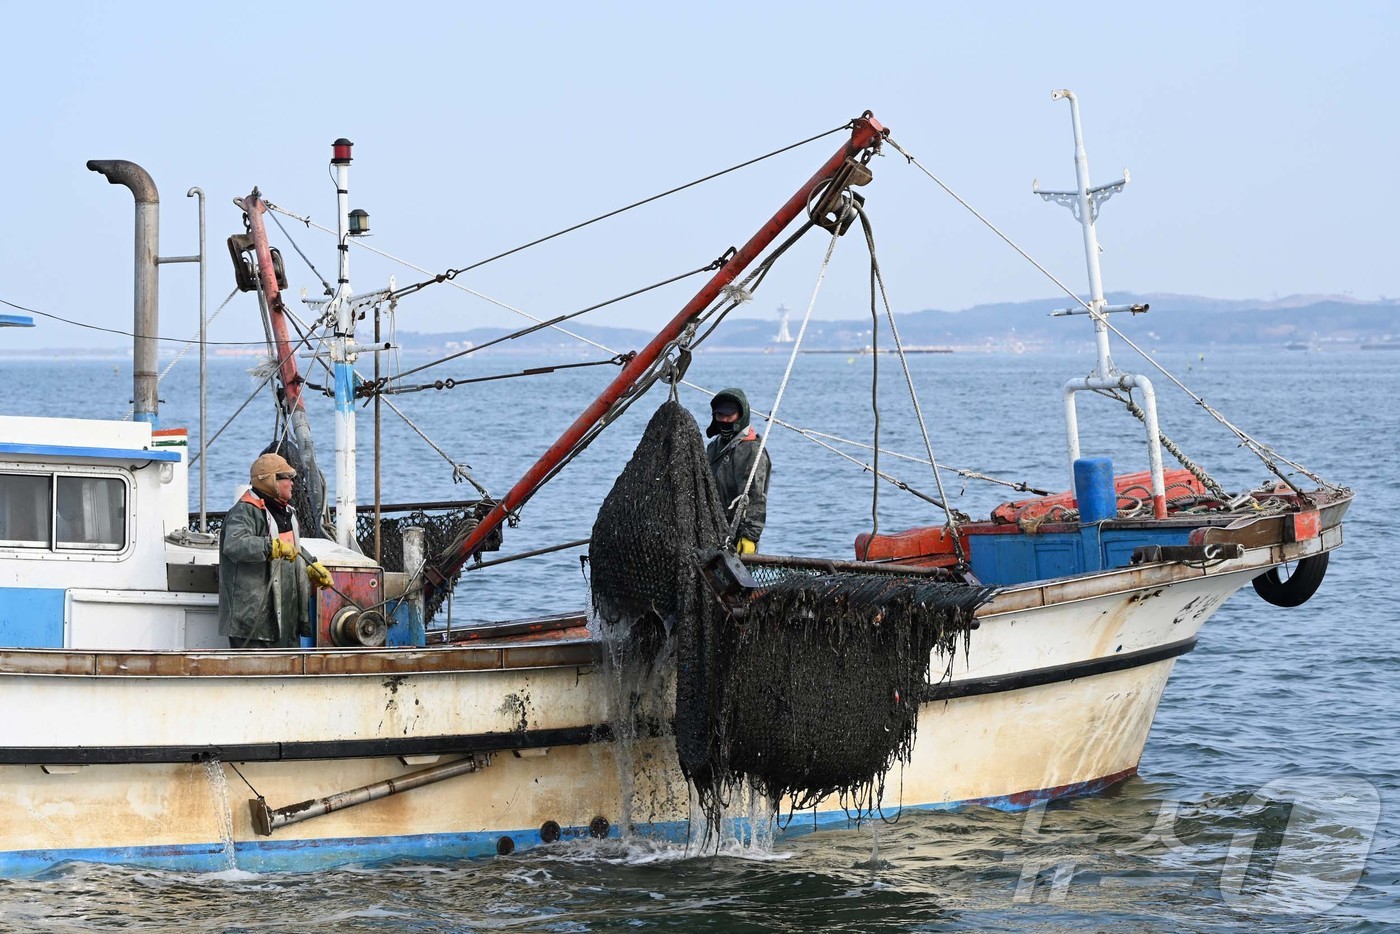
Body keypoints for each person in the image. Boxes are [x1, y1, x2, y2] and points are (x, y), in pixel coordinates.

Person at [218, 452, 333, 649]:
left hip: (286, 620)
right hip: (255, 623)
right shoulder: (244, 511)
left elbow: (292, 546)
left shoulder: (287, 512)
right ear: (271, 481)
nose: (292, 484)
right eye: (287, 478)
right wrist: (270, 546)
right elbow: (234, 544)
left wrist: (311, 565)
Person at [705, 388, 771, 554]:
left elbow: (755, 496)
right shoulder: (714, 447)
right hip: (709, 531)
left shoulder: (752, 451)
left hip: (737, 535)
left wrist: (750, 536)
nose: (725, 420)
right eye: (720, 415)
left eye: (730, 415)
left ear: (741, 415)